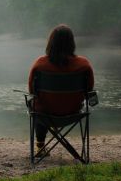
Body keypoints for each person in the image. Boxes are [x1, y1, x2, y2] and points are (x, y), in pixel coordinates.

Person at [27, 24, 94, 155]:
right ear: (72, 43)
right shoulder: (84, 64)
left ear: (51, 43)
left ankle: (40, 146)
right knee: (40, 106)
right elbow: (89, 89)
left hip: (45, 114)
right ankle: (82, 155)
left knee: (36, 106)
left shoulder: (40, 64)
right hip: (73, 112)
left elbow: (31, 90)